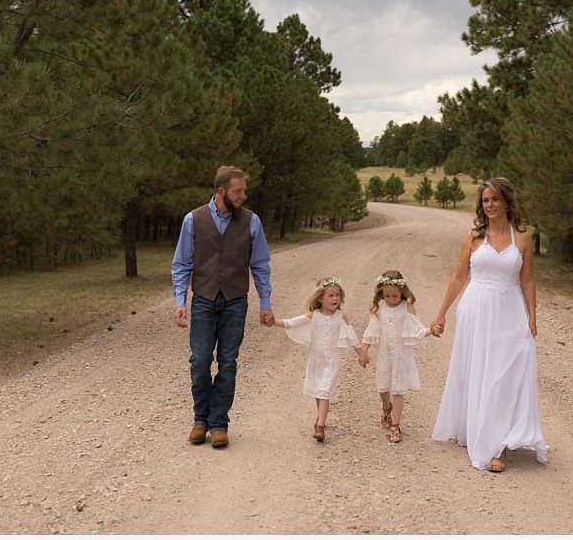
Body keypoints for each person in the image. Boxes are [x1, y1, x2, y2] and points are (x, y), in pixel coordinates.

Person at [430, 177, 548, 472]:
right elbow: (458, 278)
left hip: (509, 313)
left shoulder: (522, 238)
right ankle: (482, 433)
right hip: (476, 312)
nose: (490, 205)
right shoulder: (472, 237)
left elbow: (528, 280)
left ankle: (499, 444)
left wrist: (532, 315)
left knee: (504, 375)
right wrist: (441, 313)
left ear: (507, 202)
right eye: (485, 200)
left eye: (495, 199)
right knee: (480, 372)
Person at [172, 165, 274, 449]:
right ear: (221, 191)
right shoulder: (193, 220)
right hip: (203, 298)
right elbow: (181, 264)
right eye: (237, 191)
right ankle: (200, 419)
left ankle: (219, 423)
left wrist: (265, 303)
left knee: (228, 362)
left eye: (243, 190)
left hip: (235, 300)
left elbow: (261, 266)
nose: (243, 196)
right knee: (201, 360)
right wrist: (180, 301)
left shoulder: (252, 222)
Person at [271, 277, 369, 442]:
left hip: (332, 361)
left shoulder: (341, 317)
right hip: (316, 360)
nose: (335, 298)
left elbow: (351, 338)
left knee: (324, 392)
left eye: (337, 295)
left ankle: (320, 426)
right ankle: (321, 417)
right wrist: (272, 321)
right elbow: (291, 323)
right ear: (320, 298)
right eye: (330, 295)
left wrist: (361, 354)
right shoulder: (313, 315)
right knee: (318, 391)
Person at [360, 270, 436, 443]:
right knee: (383, 387)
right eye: (386, 295)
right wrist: (364, 351)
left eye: (394, 295)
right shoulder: (380, 307)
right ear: (381, 293)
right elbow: (372, 330)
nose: (390, 299)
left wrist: (430, 331)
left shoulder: (407, 307)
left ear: (402, 291)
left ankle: (395, 425)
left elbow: (416, 330)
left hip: (401, 356)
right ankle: (387, 408)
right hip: (384, 354)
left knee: (398, 389)